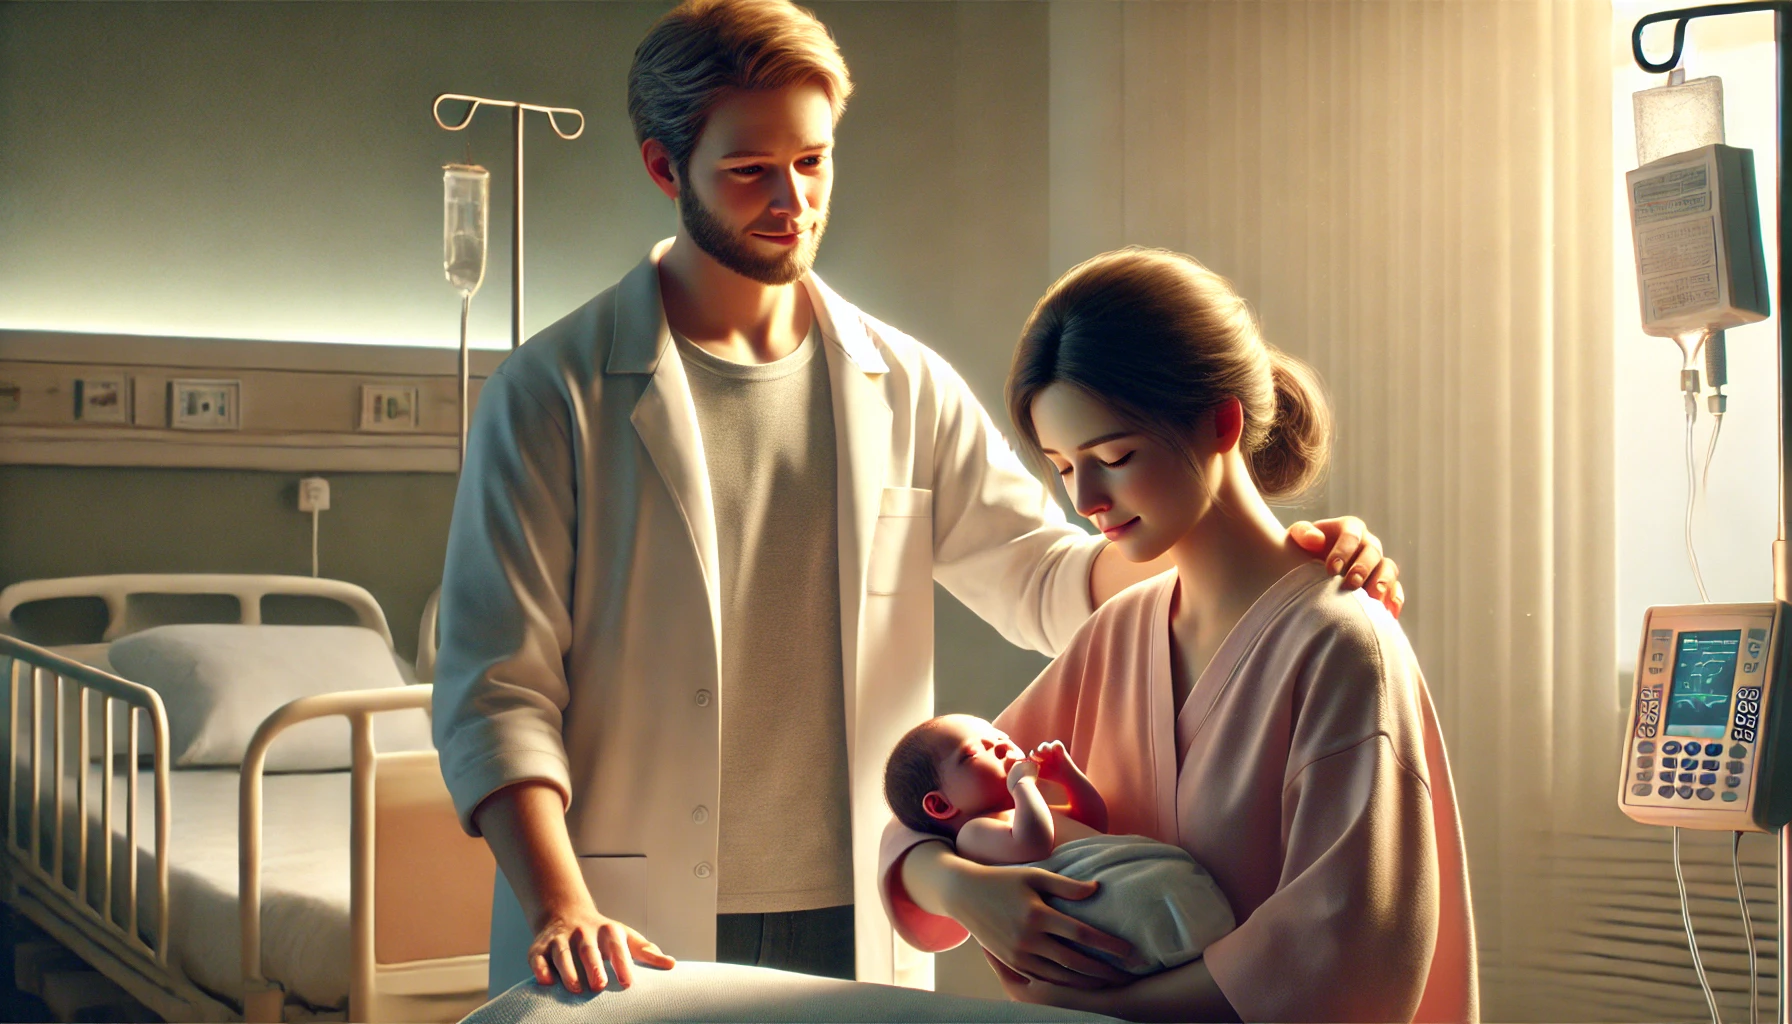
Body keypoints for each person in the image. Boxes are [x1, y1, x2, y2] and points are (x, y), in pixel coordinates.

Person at [431, 0, 1404, 1000]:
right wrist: (558, 902)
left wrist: (1271, 548)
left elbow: (1045, 575)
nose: (790, 200)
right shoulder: (552, 395)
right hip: (622, 912)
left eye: (812, 162)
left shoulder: (901, 384)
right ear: (660, 167)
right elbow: (497, 691)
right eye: (748, 170)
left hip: (854, 907)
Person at [881, 248, 1476, 1022]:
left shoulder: (1340, 645)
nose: (1087, 497)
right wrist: (958, 885)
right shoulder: (1124, 629)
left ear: (1222, 421)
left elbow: (1345, 958)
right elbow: (924, 809)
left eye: (1115, 456)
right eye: (1064, 467)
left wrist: (1108, 1005)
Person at [884, 715, 1233, 976]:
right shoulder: (974, 835)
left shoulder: (1022, 812)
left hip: (1132, 867)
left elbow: (1093, 821)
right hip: (1105, 896)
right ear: (941, 806)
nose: (1003, 746)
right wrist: (1023, 787)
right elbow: (1034, 844)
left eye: (1000, 736)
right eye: (976, 752)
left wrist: (1067, 775)